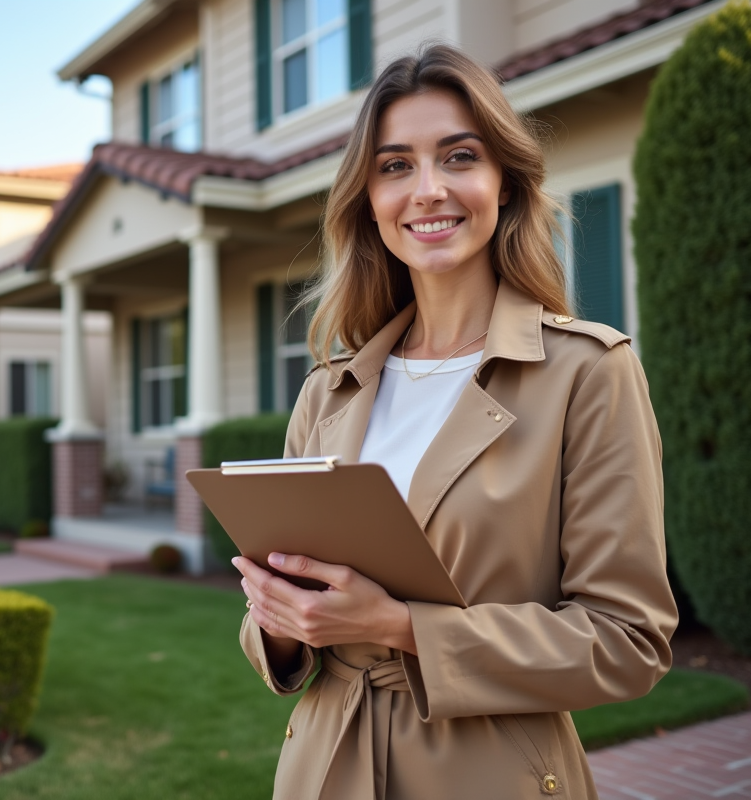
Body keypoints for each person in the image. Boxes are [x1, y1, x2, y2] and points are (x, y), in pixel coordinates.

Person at [232, 44, 677, 800]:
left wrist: (403, 627)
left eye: (459, 157)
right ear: (368, 199)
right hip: (319, 771)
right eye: (396, 165)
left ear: (503, 183)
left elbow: (627, 643)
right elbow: (279, 632)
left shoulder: (586, 373)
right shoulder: (328, 392)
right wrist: (279, 620)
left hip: (489, 773)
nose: (428, 190)